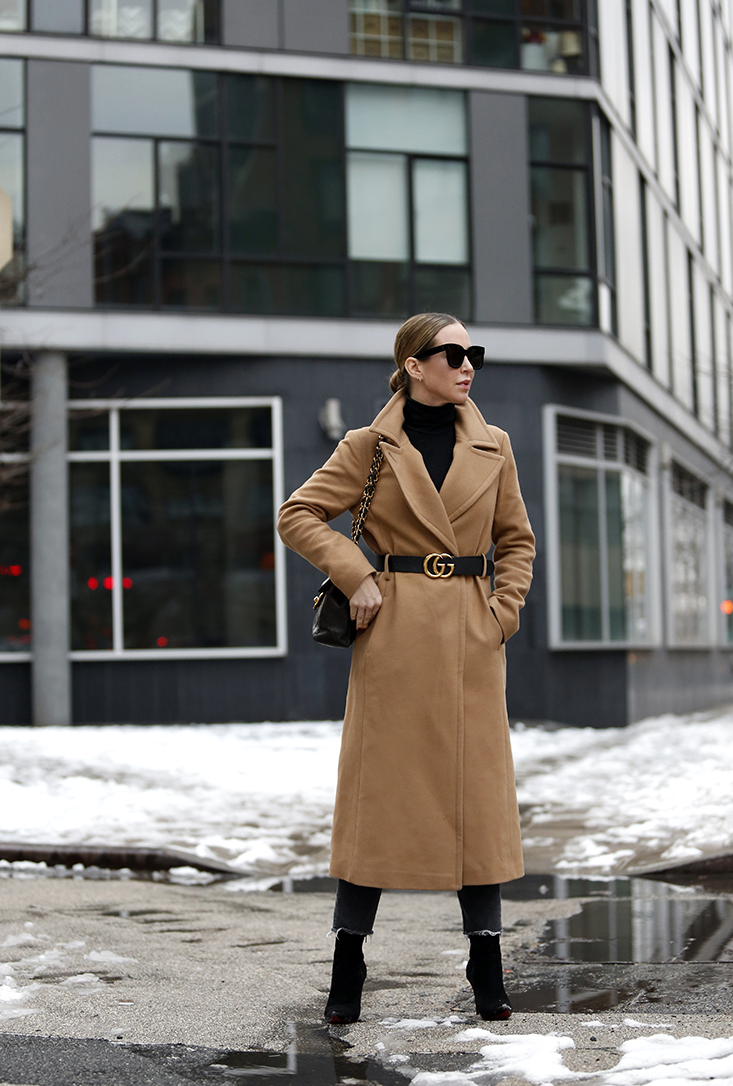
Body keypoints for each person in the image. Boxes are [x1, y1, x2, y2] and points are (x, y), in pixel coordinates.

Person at [277, 313, 535, 1024]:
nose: (468, 364)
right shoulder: (369, 445)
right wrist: (356, 575)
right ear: (413, 364)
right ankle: (348, 964)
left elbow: (516, 540)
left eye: (472, 352)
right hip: (394, 640)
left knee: (474, 806)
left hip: (470, 643)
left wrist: (501, 613)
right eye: (452, 353)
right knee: (378, 806)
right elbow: (298, 513)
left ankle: (486, 963)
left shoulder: (495, 446)